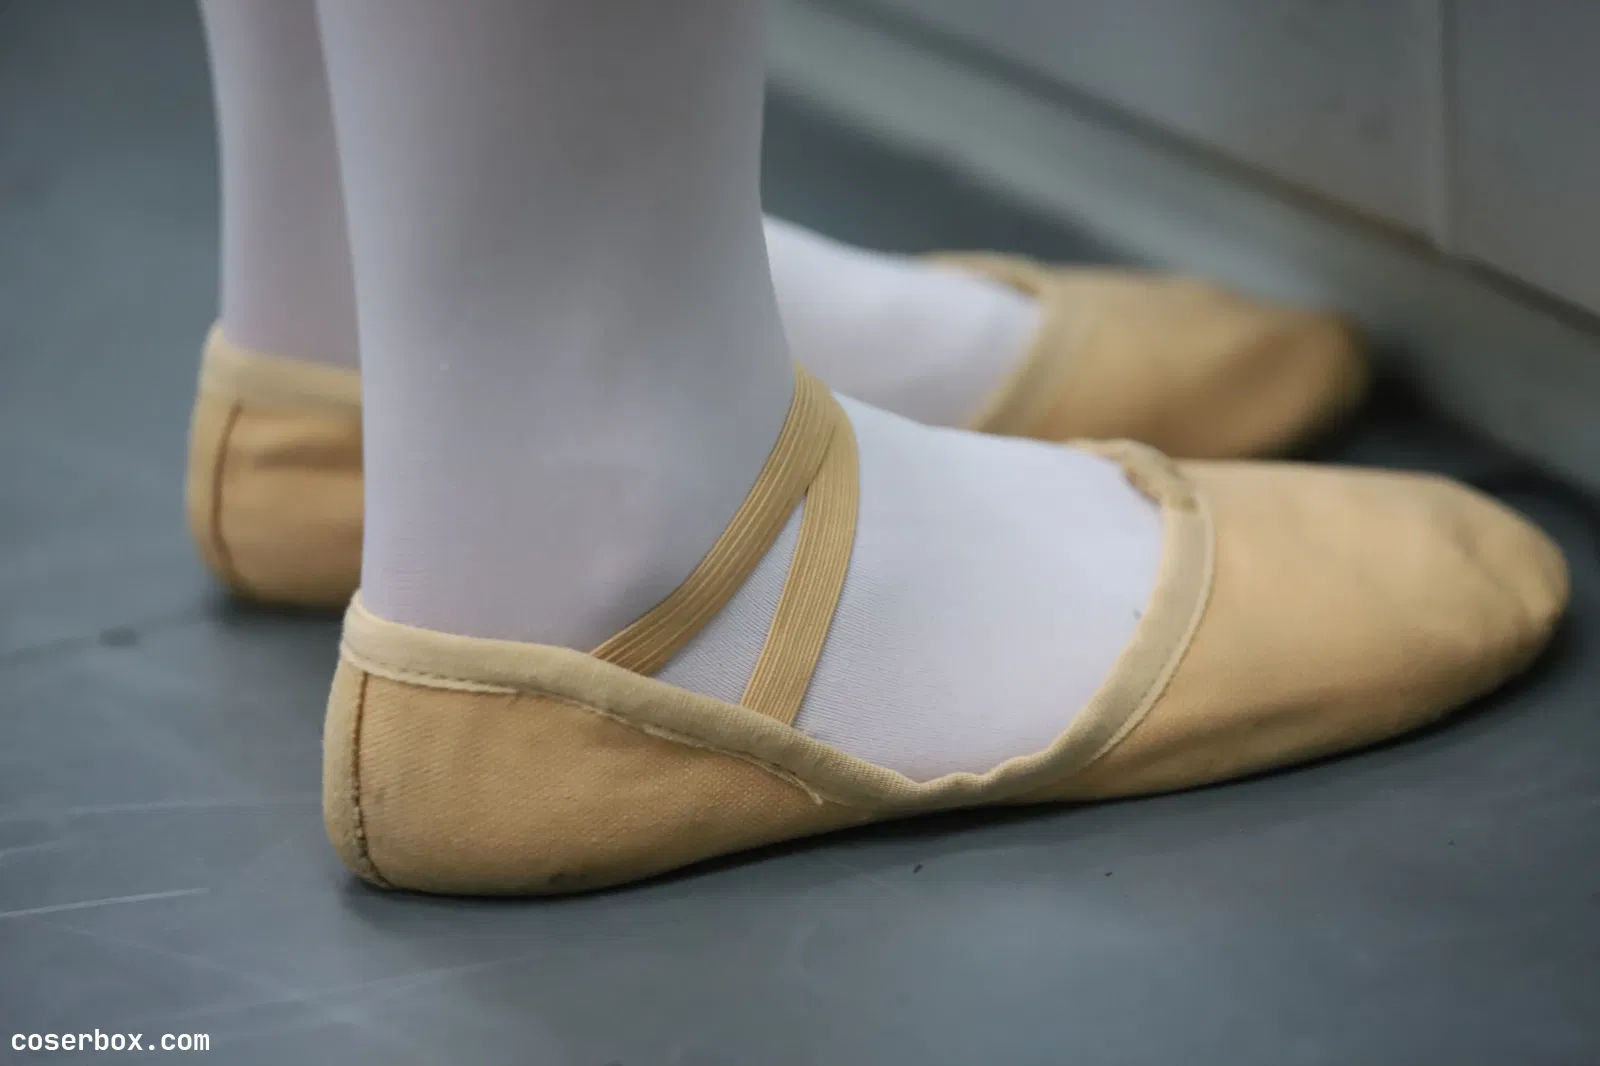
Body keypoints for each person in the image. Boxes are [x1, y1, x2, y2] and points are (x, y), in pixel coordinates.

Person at [190, 0, 1567, 895]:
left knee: (441, 293)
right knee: (581, 372)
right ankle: (622, 520)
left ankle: (376, 367)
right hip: (644, 586)